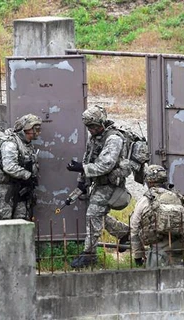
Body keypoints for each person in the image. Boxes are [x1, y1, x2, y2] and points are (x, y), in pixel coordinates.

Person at [66, 105, 131, 268]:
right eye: (88, 127)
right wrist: (82, 182)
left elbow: (105, 165)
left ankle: (89, 254)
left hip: (110, 183)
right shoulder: (95, 137)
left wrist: (82, 168)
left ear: (101, 123)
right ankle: (124, 232)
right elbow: (88, 158)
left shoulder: (114, 139)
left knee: (93, 215)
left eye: (93, 126)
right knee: (97, 215)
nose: (91, 130)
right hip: (99, 182)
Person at [131, 165, 184, 268]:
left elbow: (134, 227)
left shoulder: (146, 200)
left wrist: (138, 255)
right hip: (178, 249)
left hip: (157, 251)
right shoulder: (178, 196)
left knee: (156, 280)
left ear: (149, 182)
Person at [0, 114, 42, 221]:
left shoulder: (27, 144)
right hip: (3, 192)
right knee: (2, 225)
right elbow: (9, 166)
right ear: (27, 129)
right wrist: (27, 175)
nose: (38, 132)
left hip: (19, 190)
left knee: (21, 223)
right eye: (36, 129)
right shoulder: (10, 143)